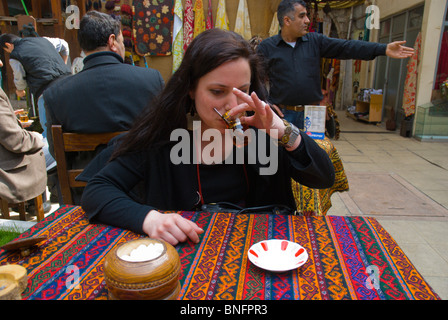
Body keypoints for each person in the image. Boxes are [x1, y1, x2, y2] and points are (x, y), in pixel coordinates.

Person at [81, 28, 335, 246]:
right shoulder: (164, 141)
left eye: (242, 91)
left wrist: (281, 130)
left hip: (259, 258)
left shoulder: (264, 136)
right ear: (190, 88)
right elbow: (97, 190)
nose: (232, 104)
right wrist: (149, 219)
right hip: (185, 262)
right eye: (217, 91)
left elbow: (324, 177)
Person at [43, 11, 164, 205]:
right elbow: (165, 138)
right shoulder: (151, 80)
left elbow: (56, 151)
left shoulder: (55, 93)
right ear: (112, 41)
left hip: (85, 195)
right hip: (143, 190)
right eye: (123, 41)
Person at [256, 0, 415, 129]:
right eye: (302, 16)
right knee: (283, 158)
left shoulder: (315, 41)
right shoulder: (267, 47)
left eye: (307, 16)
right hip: (283, 114)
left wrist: (383, 48)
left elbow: (347, 47)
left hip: (312, 114)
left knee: (314, 157)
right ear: (287, 20)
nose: (307, 20)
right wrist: (265, 103)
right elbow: (255, 80)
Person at [0, 32, 71, 138]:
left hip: (46, 90)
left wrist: (20, 90)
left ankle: (53, 153)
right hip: (68, 83)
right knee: (69, 121)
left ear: (8, 45)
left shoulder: (15, 55)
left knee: (48, 129)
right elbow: (64, 44)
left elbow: (19, 77)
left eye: (6, 50)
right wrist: (64, 62)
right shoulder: (44, 40)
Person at [0, 58, 47, 207]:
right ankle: (39, 204)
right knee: (50, 147)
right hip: (6, 171)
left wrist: (11, 117)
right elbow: (16, 141)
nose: (1, 63)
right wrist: (36, 137)